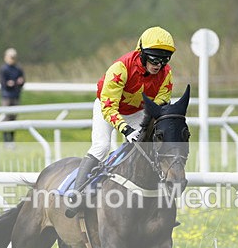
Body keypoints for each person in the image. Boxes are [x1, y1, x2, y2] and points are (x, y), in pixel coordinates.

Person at [65, 26, 175, 215]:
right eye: (155, 59)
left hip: (138, 110)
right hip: (108, 107)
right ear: (142, 53)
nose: (159, 65)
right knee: (101, 146)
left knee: (146, 147)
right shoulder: (120, 68)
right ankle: (78, 192)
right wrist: (126, 130)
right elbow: (109, 107)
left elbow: (159, 104)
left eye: (165, 60)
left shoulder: (166, 74)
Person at [0, 47, 25, 146]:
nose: (12, 59)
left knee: (14, 119)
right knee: (6, 119)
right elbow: (2, 82)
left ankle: (12, 140)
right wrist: (8, 83)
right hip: (6, 97)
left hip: (15, 96)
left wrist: (20, 82)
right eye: (11, 57)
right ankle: (6, 140)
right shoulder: (3, 69)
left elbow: (22, 80)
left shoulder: (18, 69)